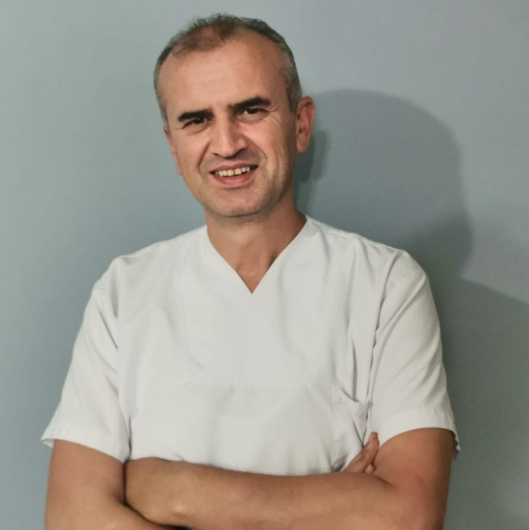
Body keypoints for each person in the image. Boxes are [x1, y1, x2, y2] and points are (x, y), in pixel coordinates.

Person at [42, 14, 459, 530]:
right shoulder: (124, 293)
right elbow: (71, 517)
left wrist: (167, 488)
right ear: (173, 146)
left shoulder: (386, 285)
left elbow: (408, 517)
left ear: (300, 123)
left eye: (250, 110)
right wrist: (338, 499)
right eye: (197, 120)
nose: (226, 143)